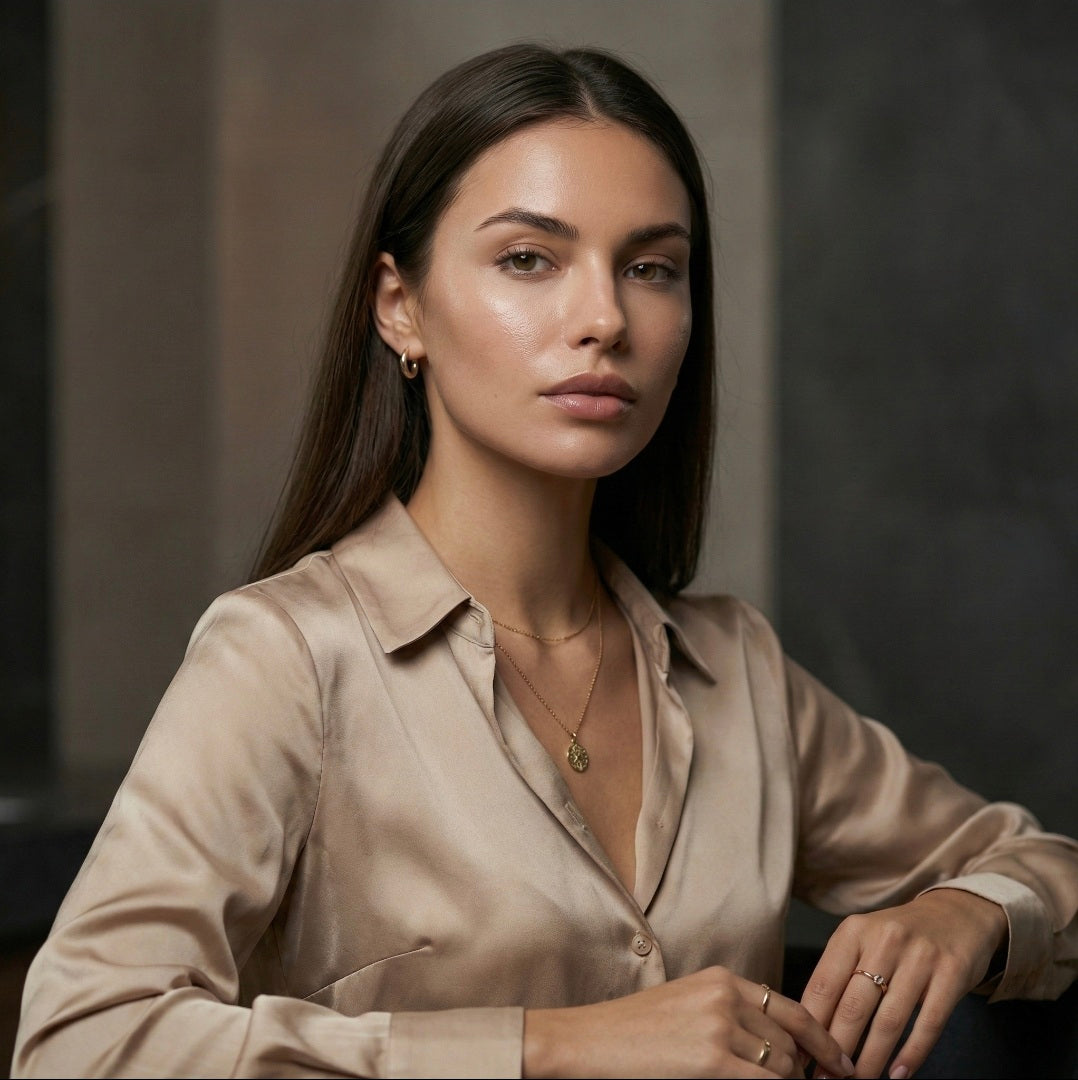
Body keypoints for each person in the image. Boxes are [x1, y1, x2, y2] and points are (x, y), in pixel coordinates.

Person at [12, 42, 1078, 1080]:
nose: (605, 318)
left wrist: (965, 910)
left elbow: (1048, 872)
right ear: (400, 306)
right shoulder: (285, 660)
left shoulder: (735, 670)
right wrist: (553, 1048)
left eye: (651, 268)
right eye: (530, 259)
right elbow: (80, 1043)